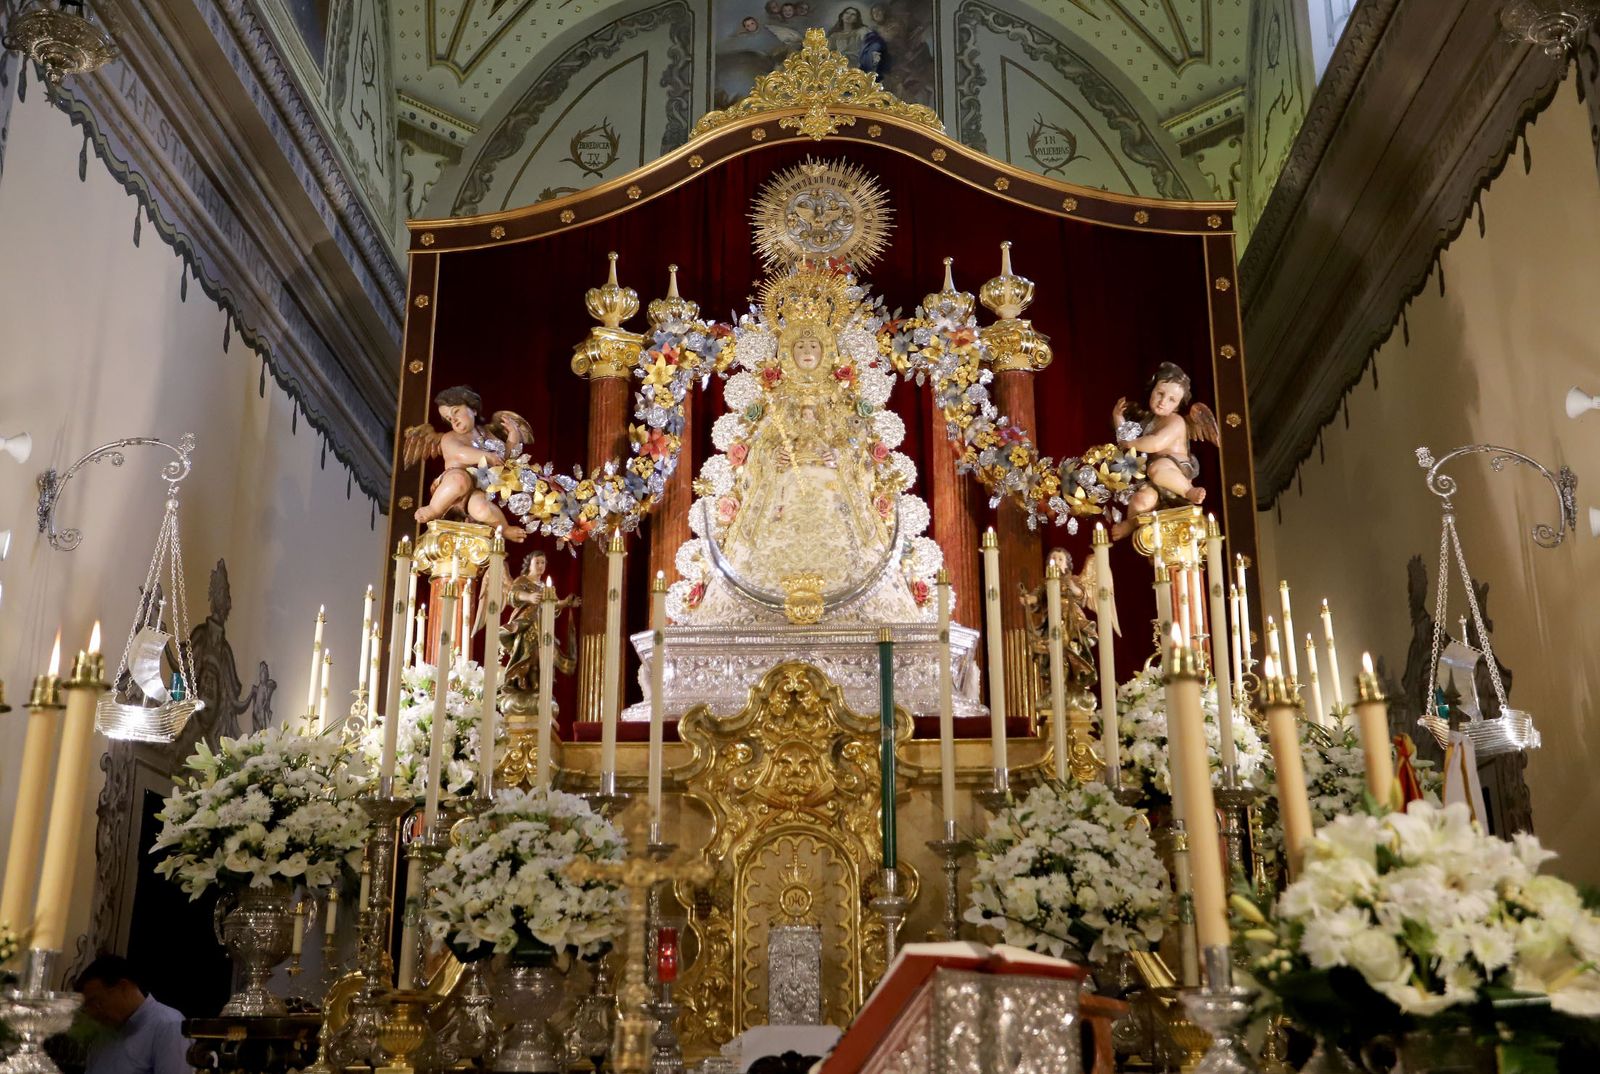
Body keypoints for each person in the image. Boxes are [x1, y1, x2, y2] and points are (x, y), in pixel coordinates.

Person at [75, 955, 193, 1074]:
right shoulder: (104, 1033)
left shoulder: (168, 1025)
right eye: (87, 1008)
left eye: (97, 1003)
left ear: (123, 987)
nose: (93, 1013)